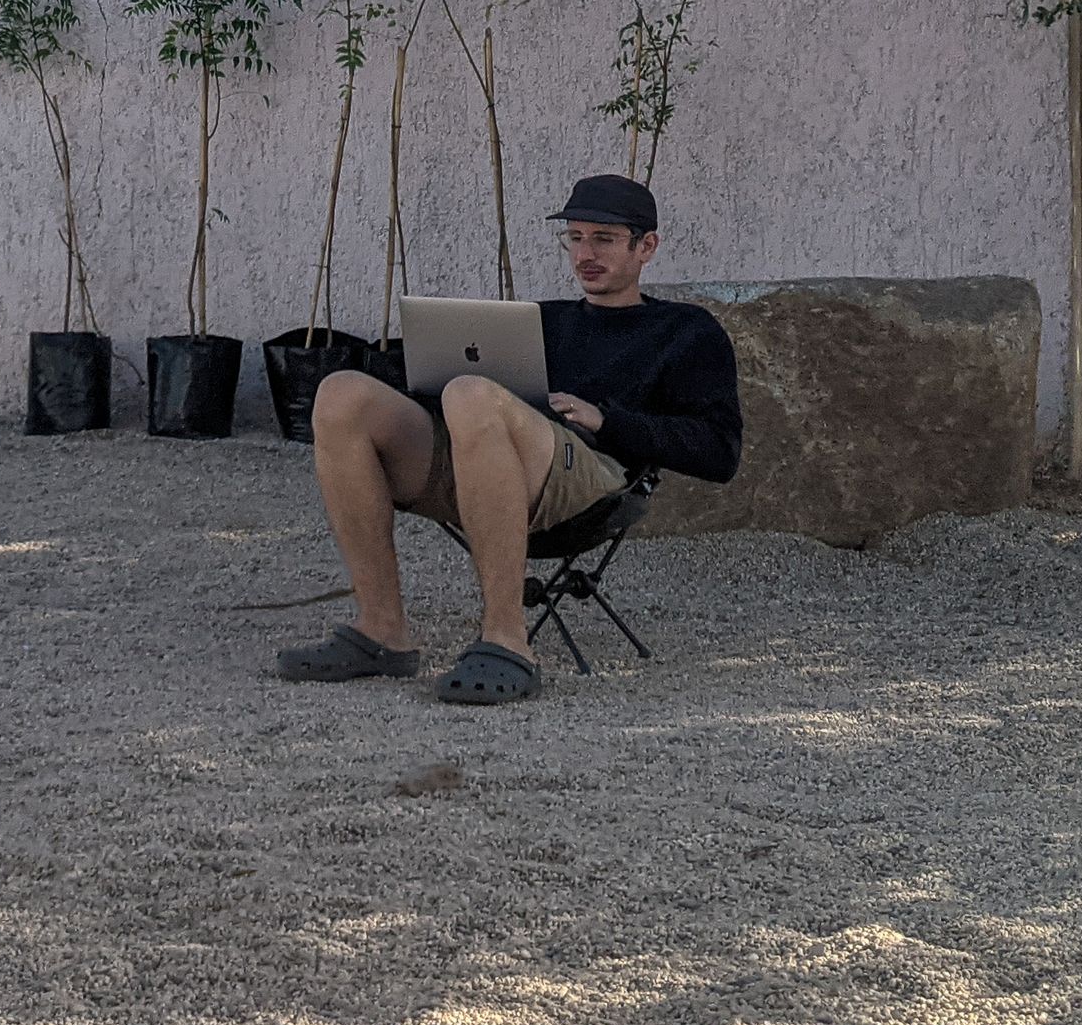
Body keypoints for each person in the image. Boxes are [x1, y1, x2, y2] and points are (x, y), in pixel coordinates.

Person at [276, 173, 741, 704]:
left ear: (647, 246)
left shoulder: (686, 331)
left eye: (605, 239)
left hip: (593, 480)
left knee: (475, 393)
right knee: (342, 393)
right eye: (576, 237)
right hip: (485, 460)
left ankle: (507, 638)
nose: (585, 253)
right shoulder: (538, 321)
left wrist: (607, 420)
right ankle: (382, 630)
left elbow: (720, 453)